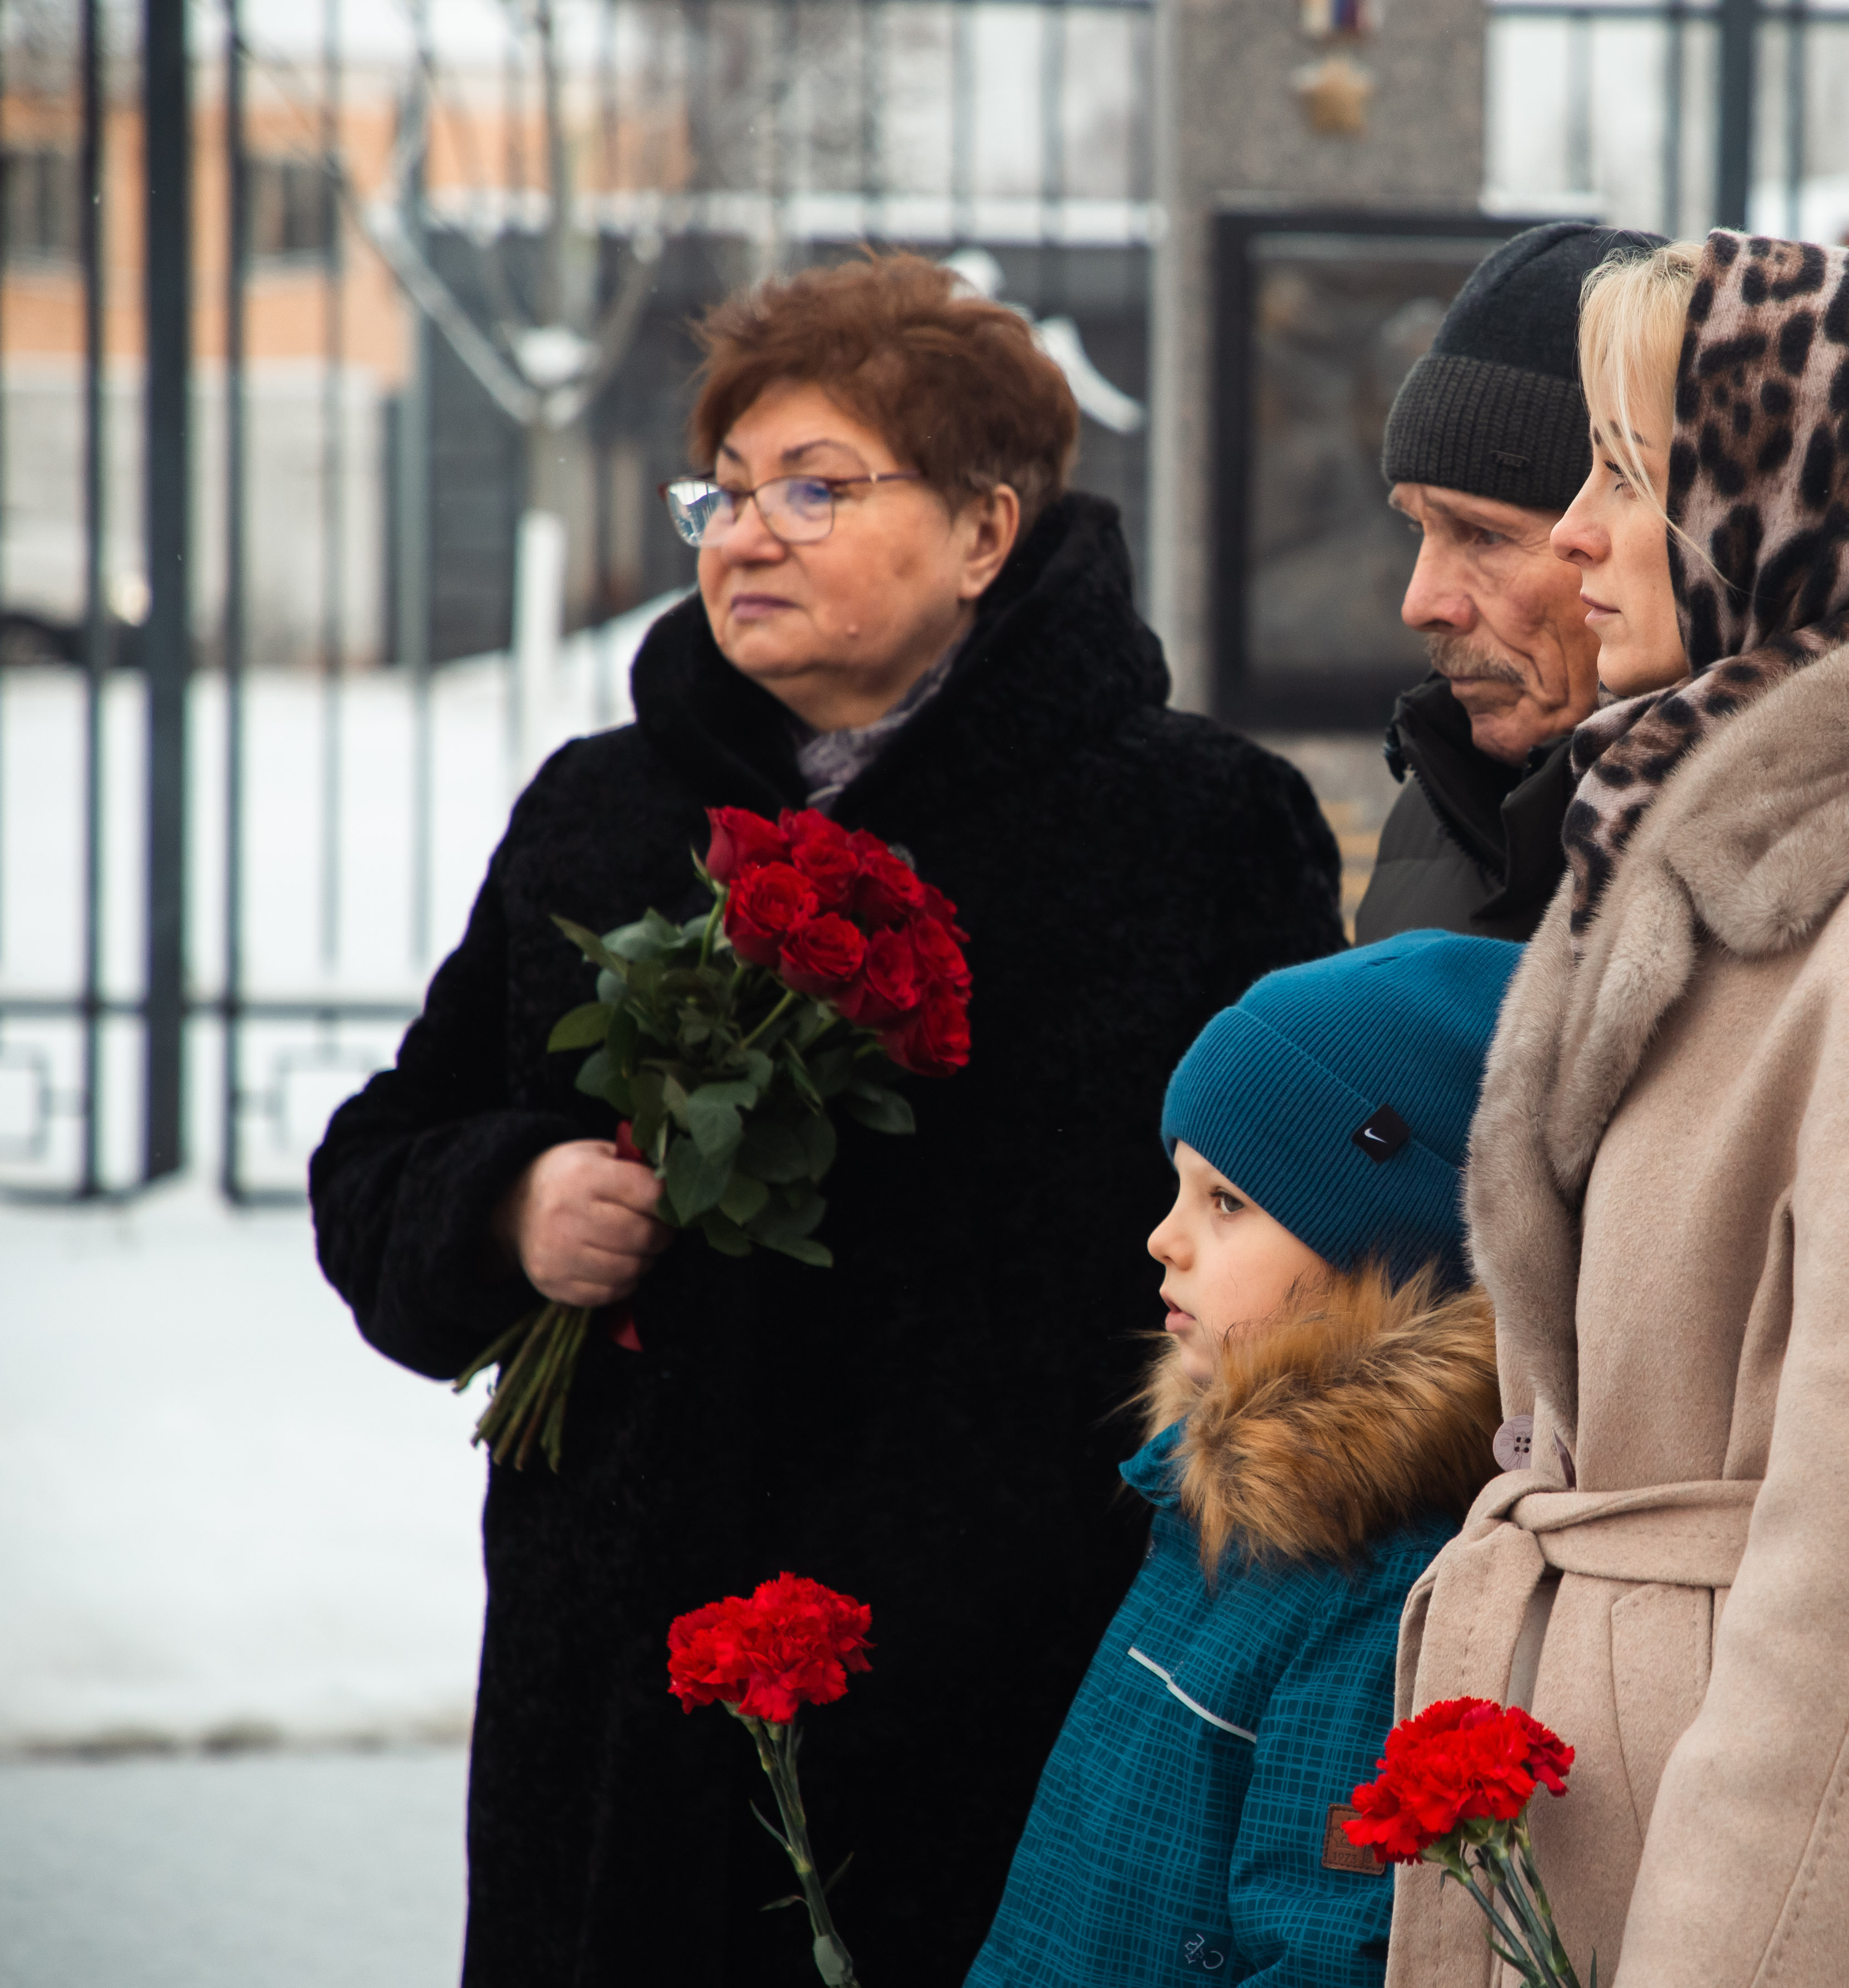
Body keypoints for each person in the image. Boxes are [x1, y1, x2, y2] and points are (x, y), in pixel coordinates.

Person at [310, 253, 1346, 1985]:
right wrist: (510, 1200)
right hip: (625, 1681)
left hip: (1004, 1663)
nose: (743, 534)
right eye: (721, 489)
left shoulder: (1196, 831)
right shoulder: (605, 811)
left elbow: (1313, 1237)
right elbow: (380, 1155)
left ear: (984, 533)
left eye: (816, 487)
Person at [1386, 235, 1849, 1987]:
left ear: (1797, 510)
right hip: (1619, 1824)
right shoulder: (1690, 855)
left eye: (1628, 477)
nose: (1575, 536)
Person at [963, 931, 1518, 1988]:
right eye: (1180, 1188)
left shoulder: (1380, 1585)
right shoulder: (1228, 1507)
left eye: (1227, 1203)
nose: (1163, 1239)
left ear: (1386, 1256)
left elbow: (1328, 1952)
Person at [1358, 221, 1657, 944]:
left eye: (1486, 536)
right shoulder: (1433, 806)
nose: (1421, 604)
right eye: (1418, 528)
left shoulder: (1780, 854)